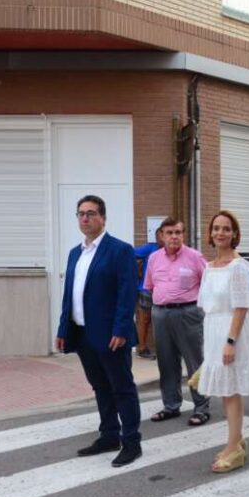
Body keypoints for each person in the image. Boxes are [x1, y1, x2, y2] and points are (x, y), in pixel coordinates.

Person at [56, 195, 143, 466]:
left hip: (111, 335)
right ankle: (109, 435)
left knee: (122, 388)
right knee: (100, 386)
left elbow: (127, 293)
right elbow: (69, 295)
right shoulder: (75, 253)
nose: (85, 218)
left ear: (103, 218)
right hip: (83, 334)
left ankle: (132, 442)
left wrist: (121, 328)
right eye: (81, 214)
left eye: (91, 213)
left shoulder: (120, 250)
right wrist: (63, 328)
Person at [196, 211, 249, 473]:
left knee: (231, 391)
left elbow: (242, 306)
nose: (220, 233)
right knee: (225, 390)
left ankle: (233, 448)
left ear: (234, 234)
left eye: (226, 228)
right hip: (214, 329)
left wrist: (230, 341)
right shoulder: (209, 266)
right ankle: (236, 439)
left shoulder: (238, 266)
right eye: (216, 228)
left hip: (231, 330)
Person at [145, 219, 211, 426]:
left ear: (183, 235)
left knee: (194, 361)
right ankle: (171, 405)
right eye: (169, 233)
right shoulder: (154, 258)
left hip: (188, 313)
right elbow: (149, 285)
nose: (174, 236)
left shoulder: (195, 257)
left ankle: (201, 408)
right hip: (160, 314)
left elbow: (209, 284)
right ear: (161, 236)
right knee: (166, 362)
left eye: (178, 232)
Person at [133, 225, 164, 360]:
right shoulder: (150, 248)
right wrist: (137, 271)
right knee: (144, 319)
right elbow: (129, 254)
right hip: (147, 290)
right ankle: (142, 348)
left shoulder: (175, 251)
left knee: (163, 320)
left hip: (164, 292)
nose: (162, 238)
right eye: (160, 235)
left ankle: (166, 350)